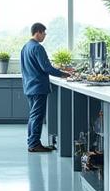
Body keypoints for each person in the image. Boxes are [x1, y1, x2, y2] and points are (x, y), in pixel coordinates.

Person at [19, 23, 71, 153]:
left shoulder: (25, 47)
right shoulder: (38, 47)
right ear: (38, 32)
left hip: (29, 86)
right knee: (37, 116)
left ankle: (32, 142)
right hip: (38, 87)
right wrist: (64, 74)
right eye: (44, 33)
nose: (45, 36)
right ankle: (34, 144)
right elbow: (46, 67)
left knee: (33, 115)